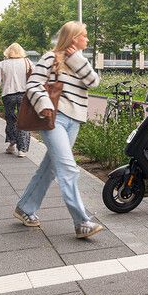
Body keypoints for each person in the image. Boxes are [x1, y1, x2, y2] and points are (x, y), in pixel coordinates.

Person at [14, 21, 104, 239]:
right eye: (84, 35)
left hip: (75, 119)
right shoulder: (50, 57)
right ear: (73, 37)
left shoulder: (80, 60)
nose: (88, 39)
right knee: (67, 168)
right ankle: (82, 221)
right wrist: (44, 104)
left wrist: (75, 59)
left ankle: (25, 208)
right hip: (54, 118)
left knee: (51, 168)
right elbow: (34, 84)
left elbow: (94, 82)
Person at [0, 43, 33, 157]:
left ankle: (12, 144)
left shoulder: (2, 64)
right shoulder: (28, 62)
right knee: (23, 121)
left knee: (10, 120)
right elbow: (35, 79)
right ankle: (22, 149)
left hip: (8, 95)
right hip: (24, 95)